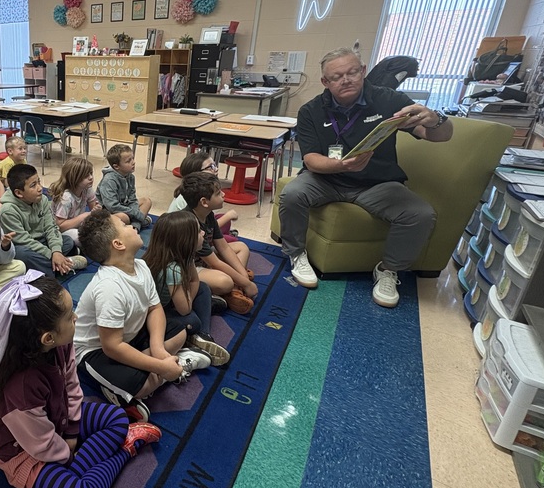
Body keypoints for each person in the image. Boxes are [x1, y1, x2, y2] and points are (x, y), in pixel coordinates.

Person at [0, 272, 162, 488]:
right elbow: (40, 444)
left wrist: (73, 431)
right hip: (25, 453)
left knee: (118, 418)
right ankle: (126, 450)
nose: (76, 319)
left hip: (58, 420)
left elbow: (72, 385)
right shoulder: (20, 390)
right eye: (70, 316)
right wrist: (67, 454)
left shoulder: (60, 344)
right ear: (47, 337)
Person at [278, 46, 452, 307]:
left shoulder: (388, 100)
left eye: (352, 72)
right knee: (292, 194)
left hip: (376, 183)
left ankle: (389, 270)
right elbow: (311, 159)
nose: (346, 80)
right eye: (337, 77)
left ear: (364, 71)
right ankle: (296, 254)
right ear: (326, 82)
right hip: (326, 179)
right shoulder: (311, 111)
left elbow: (439, 135)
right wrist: (342, 167)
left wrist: (435, 119)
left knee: (420, 214)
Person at [74, 210, 212, 422]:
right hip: (95, 351)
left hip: (128, 336)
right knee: (137, 385)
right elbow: (112, 346)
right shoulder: (109, 287)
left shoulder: (141, 266)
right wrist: (159, 365)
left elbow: (155, 309)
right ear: (118, 244)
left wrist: (157, 348)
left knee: (180, 332)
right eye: (124, 225)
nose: (132, 226)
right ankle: (175, 365)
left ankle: (154, 373)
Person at [143, 211, 230, 366]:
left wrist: (192, 275)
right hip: (157, 315)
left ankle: (201, 334)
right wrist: (193, 281)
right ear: (186, 240)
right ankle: (201, 334)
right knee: (193, 320)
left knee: (204, 287)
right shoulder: (172, 270)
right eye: (198, 231)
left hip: (169, 302)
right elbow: (185, 308)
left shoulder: (176, 254)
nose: (203, 232)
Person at [180, 172, 257, 315]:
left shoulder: (208, 214)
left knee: (242, 248)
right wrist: (246, 284)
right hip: (190, 269)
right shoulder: (191, 224)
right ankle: (231, 289)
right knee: (225, 282)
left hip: (207, 261)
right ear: (204, 202)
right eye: (217, 193)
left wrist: (244, 279)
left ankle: (234, 289)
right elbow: (215, 263)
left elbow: (224, 247)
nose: (223, 194)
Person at [0, 163, 87, 278]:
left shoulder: (42, 199)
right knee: (22, 255)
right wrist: (51, 254)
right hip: (25, 246)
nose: (40, 188)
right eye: (33, 185)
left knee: (67, 241)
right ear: (19, 193)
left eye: (39, 182)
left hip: (41, 242)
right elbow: (23, 241)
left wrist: (57, 251)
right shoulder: (8, 211)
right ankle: (65, 265)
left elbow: (51, 227)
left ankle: (56, 265)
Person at [166, 151, 243, 245]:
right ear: (196, 173)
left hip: (200, 228)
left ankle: (223, 237)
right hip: (186, 237)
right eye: (211, 167)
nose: (216, 169)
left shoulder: (195, 191)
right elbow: (197, 229)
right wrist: (228, 216)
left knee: (222, 221)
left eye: (215, 165)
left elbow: (207, 221)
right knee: (234, 242)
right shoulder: (189, 198)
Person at [50, 156, 129, 248]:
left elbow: (94, 211)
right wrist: (84, 216)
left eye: (91, 173)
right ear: (74, 178)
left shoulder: (87, 189)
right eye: (86, 176)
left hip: (81, 224)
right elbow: (60, 226)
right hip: (63, 230)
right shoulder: (66, 198)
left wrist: (97, 210)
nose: (91, 177)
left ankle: (110, 239)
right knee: (80, 237)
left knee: (122, 217)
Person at [95, 144, 152, 232]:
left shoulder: (130, 177)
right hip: (108, 212)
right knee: (124, 217)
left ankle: (135, 227)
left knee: (146, 201)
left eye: (133, 158)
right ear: (116, 166)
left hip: (124, 206)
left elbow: (132, 199)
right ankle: (138, 222)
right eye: (128, 161)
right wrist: (136, 214)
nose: (133, 162)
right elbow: (112, 206)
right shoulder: (109, 180)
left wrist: (134, 212)